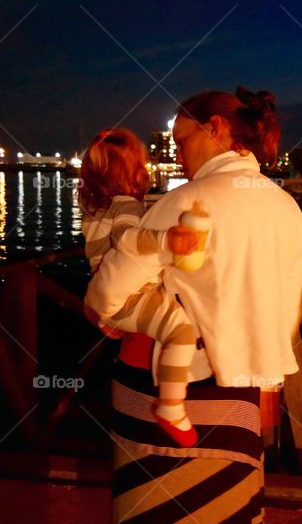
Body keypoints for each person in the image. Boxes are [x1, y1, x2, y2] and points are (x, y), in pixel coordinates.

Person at [85, 88, 302, 523]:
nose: (177, 153)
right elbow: (285, 315)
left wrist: (99, 311)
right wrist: (268, 386)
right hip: (240, 392)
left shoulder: (187, 201)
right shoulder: (287, 208)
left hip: (161, 391)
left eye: (181, 140)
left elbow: (109, 292)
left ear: (216, 128)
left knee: (153, 509)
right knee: (230, 508)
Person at [79, 128, 203, 447]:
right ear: (135, 172)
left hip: (109, 299)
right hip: (133, 296)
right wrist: (166, 239)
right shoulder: (126, 205)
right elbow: (127, 240)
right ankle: (171, 405)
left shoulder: (93, 209)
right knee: (181, 333)